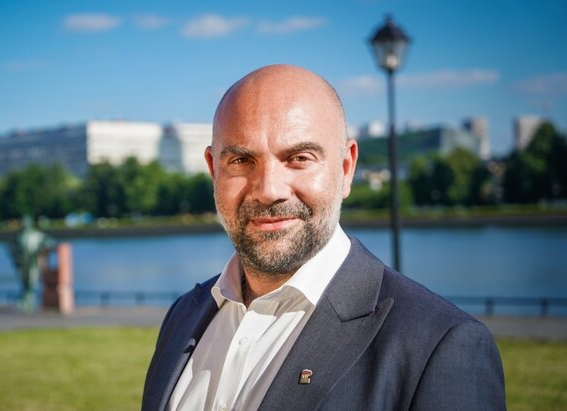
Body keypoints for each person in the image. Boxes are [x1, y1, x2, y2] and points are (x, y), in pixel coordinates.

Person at [142, 65, 505, 410]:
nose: (269, 190)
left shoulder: (441, 346)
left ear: (346, 169)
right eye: (241, 161)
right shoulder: (183, 316)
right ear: (213, 171)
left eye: (299, 158)